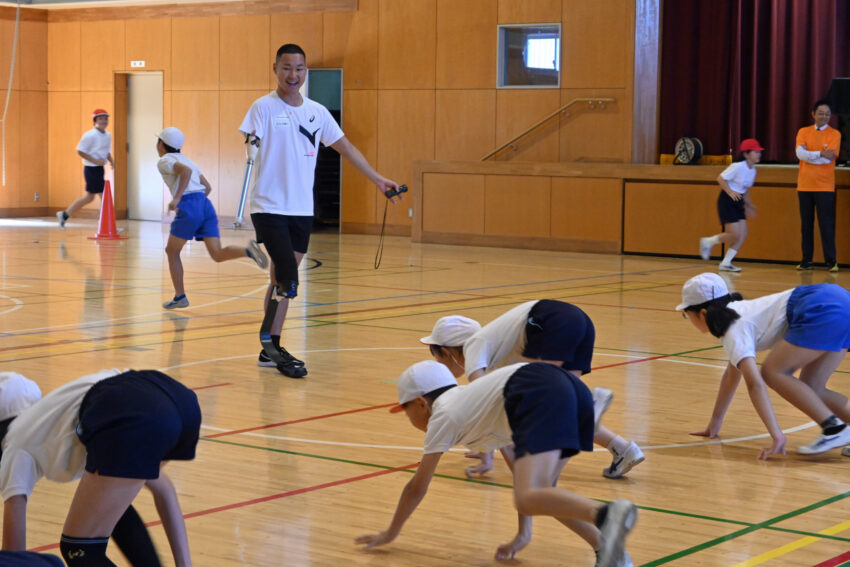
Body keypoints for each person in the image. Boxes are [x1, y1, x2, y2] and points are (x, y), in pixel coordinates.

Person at [355, 360, 638, 566]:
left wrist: (390, 532)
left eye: (405, 411)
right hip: (557, 383)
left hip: (536, 389)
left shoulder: (444, 416)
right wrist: (522, 534)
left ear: (420, 403)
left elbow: (417, 487)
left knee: (536, 494)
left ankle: (606, 515)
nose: (408, 419)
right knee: (542, 493)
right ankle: (609, 551)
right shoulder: (478, 407)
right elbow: (520, 477)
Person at [239, 43, 401, 378]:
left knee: (279, 278)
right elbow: (251, 140)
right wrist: (252, 145)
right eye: (286, 68)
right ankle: (272, 347)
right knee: (288, 277)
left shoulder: (316, 112)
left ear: (305, 71)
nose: (292, 75)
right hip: (268, 206)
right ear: (275, 69)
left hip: (301, 209)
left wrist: (377, 179)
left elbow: (347, 148)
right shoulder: (262, 107)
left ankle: (269, 347)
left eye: (298, 68)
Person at [421, 301, 645, 479]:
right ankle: (623, 450)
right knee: (559, 404)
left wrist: (486, 452)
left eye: (435, 354)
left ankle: (590, 412)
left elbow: (480, 407)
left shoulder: (473, 348)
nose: (437, 363)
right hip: (576, 322)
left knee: (542, 402)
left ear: (447, 350)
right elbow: (487, 406)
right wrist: (486, 450)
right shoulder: (497, 352)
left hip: (549, 320)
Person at [0, 369, 201, 566]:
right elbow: (164, 491)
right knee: (110, 511)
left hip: (128, 407)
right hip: (176, 400)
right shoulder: (58, 418)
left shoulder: (16, 441)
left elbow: (14, 558)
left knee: (78, 549)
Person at [677, 273, 850, 459]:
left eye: (686, 314)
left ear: (702, 314)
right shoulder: (738, 314)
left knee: (772, 372)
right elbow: (731, 375)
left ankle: (833, 428)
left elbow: (755, 384)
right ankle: (836, 428)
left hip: (820, 306)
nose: (687, 319)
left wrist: (776, 435)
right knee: (811, 386)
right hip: (837, 300)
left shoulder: (732, 330)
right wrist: (715, 422)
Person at [155, 127, 268, 309]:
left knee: (171, 252)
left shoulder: (165, 160)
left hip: (190, 204)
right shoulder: (188, 160)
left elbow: (185, 173)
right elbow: (207, 187)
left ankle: (180, 296)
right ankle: (248, 252)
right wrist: (197, 206)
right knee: (217, 254)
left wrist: (178, 199)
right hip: (205, 205)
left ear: (161, 144)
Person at [699, 138, 763, 272]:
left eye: (759, 152)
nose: (758, 154)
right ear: (746, 154)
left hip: (739, 200)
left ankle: (726, 263)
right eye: (755, 152)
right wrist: (730, 192)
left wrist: (749, 204)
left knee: (743, 234)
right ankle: (708, 242)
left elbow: (745, 189)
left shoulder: (753, 171)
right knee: (734, 235)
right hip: (727, 200)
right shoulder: (737, 166)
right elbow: (721, 178)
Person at [795, 99, 841, 272]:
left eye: (828, 114)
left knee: (826, 224)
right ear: (813, 114)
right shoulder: (803, 131)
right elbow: (800, 154)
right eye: (821, 113)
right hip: (804, 185)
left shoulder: (834, 134)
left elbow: (829, 158)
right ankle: (806, 260)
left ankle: (831, 261)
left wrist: (812, 154)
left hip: (825, 186)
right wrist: (820, 153)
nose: (824, 116)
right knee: (806, 225)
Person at [57, 109, 114, 230]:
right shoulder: (90, 135)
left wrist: (111, 161)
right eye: (100, 119)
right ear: (95, 121)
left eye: (105, 118)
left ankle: (65, 214)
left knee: (89, 197)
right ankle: (108, 226)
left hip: (99, 169)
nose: (104, 121)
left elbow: (107, 151)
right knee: (104, 196)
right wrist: (95, 161)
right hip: (91, 169)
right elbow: (80, 151)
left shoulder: (108, 135)